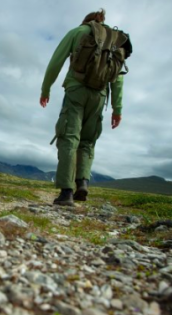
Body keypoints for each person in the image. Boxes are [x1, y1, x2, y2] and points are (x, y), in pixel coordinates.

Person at [40, 10, 128, 206]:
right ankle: (83, 182)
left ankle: (66, 192)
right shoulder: (113, 41)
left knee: (69, 137)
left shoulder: (77, 32)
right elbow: (118, 78)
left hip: (76, 90)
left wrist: (45, 89)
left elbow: (56, 61)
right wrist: (117, 109)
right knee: (87, 141)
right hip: (99, 96)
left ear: (86, 20)